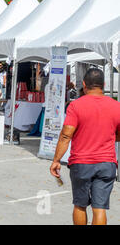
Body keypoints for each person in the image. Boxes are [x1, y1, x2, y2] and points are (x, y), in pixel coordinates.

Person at [50, 68, 120, 225]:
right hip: (106, 163)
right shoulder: (116, 106)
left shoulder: (76, 106)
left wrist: (56, 160)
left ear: (83, 84)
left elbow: (66, 135)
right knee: (100, 208)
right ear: (104, 84)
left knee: (80, 206)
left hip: (81, 164)